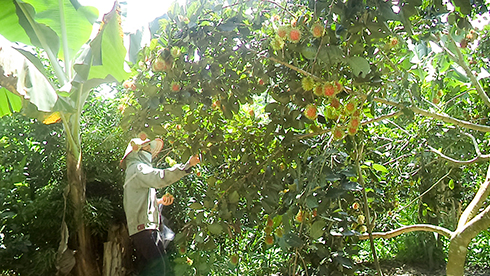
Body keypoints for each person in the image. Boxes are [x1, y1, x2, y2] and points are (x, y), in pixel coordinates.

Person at [120, 133, 200, 276]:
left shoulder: (134, 170)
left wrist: (160, 202)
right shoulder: (137, 168)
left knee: (158, 270)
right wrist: (186, 166)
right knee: (160, 270)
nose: (150, 151)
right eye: (148, 148)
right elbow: (159, 178)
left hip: (146, 229)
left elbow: (138, 202)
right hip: (144, 229)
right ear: (138, 150)